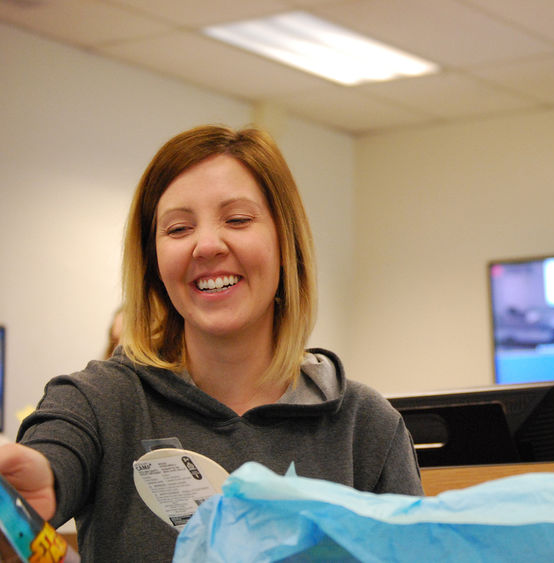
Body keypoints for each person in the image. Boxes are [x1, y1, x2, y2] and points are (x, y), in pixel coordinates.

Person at [0, 125, 423, 560]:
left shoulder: (365, 426)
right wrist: (31, 486)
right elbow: (50, 462)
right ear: (153, 263)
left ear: (285, 241)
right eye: (179, 228)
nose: (206, 245)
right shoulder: (99, 401)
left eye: (237, 219)